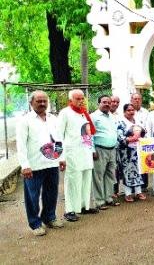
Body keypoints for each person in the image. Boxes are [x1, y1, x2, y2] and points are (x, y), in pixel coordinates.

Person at [16, 91, 65, 236]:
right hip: (34, 165)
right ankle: (35, 223)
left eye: (45, 101)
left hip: (52, 163)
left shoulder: (52, 118)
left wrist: (61, 158)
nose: (43, 103)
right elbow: (21, 145)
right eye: (39, 101)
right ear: (31, 103)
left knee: (51, 193)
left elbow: (59, 139)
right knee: (32, 196)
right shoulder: (25, 121)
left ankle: (49, 217)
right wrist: (25, 165)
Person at [58, 89, 96, 222]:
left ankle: (84, 205)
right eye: (78, 99)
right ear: (70, 100)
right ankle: (70, 210)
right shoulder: (65, 113)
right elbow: (58, 136)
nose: (81, 101)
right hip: (72, 153)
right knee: (72, 181)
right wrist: (61, 157)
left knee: (86, 178)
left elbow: (87, 133)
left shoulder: (84, 113)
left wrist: (91, 150)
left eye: (82, 98)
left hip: (85, 152)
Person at [90, 95, 120, 210]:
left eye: (109, 102)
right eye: (104, 102)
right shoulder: (93, 117)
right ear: (99, 103)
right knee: (98, 176)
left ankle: (108, 198)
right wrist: (92, 150)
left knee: (110, 175)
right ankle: (99, 201)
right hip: (99, 149)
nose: (107, 104)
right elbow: (89, 135)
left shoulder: (111, 117)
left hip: (112, 150)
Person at [117, 103, 147, 202]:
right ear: (124, 112)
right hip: (127, 151)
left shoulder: (138, 122)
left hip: (138, 150)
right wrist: (131, 139)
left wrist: (141, 138)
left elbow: (144, 132)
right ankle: (128, 193)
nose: (131, 112)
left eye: (132, 110)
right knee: (127, 172)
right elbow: (120, 137)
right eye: (128, 110)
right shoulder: (121, 122)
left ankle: (138, 192)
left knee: (138, 170)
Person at [130, 92, 149, 191]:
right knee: (134, 163)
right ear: (131, 100)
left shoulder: (146, 112)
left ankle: (144, 185)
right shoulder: (129, 112)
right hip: (132, 141)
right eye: (135, 99)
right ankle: (134, 185)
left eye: (139, 99)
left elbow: (148, 126)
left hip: (144, 141)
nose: (137, 101)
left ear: (141, 100)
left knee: (144, 162)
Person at [109, 95, 121, 197]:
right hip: (108, 147)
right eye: (113, 101)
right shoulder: (104, 114)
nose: (115, 104)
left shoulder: (120, 115)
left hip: (119, 146)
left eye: (117, 102)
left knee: (117, 169)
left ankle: (115, 191)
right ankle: (109, 191)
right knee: (110, 169)